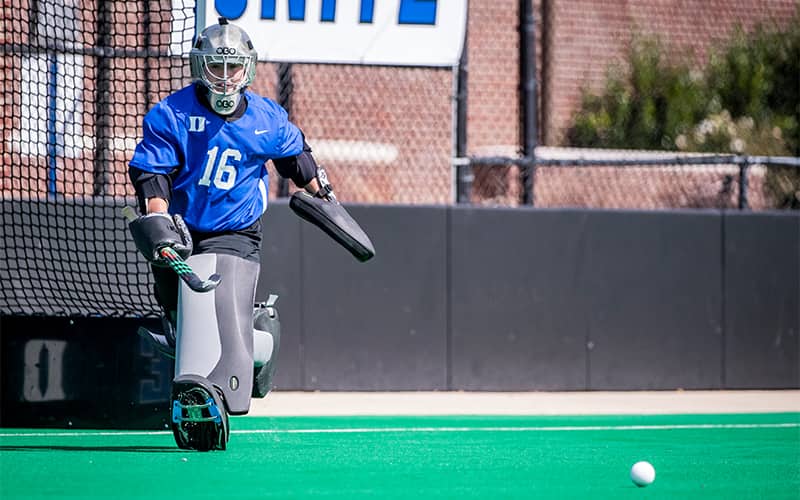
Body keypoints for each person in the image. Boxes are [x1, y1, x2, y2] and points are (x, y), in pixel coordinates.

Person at [126, 17, 334, 451]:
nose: (224, 77)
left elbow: (296, 158)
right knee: (182, 322)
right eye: (215, 67)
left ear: (248, 68)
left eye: (233, 67)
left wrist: (324, 194)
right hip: (181, 230)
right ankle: (261, 341)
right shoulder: (171, 114)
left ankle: (212, 395)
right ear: (200, 67)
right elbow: (152, 173)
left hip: (235, 231)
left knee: (217, 310)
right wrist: (160, 223)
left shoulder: (265, 117)